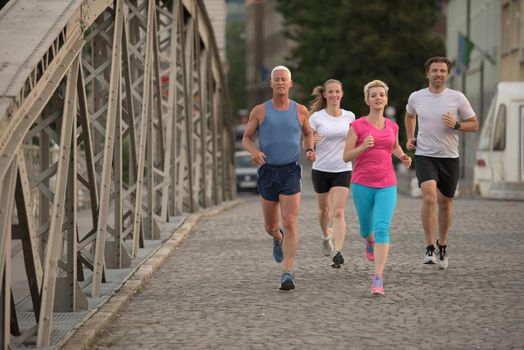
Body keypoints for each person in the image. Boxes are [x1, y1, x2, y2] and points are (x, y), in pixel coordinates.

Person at [242, 65, 315, 291]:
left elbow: (308, 132)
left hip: (291, 170)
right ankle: (276, 236)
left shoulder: (300, 110)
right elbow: (246, 138)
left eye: (284, 79)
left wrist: (310, 149)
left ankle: (288, 272)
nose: (281, 83)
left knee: (290, 221)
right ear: (271, 84)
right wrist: (254, 151)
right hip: (268, 171)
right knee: (270, 225)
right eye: (277, 80)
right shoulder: (260, 111)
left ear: (290, 84)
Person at [405, 57, 478, 269]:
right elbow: (410, 116)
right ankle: (429, 247)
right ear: (427, 74)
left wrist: (456, 124)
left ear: (447, 74)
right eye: (435, 70)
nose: (439, 74)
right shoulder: (416, 97)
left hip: (449, 157)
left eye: (443, 71)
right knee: (429, 197)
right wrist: (411, 137)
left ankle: (442, 244)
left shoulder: (457, 98)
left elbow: (474, 124)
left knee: (445, 203)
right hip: (425, 155)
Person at [343, 80, 411, 295]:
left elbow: (394, 146)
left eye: (381, 95)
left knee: (382, 227)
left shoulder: (392, 125)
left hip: (387, 184)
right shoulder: (358, 126)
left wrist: (402, 156)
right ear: (367, 100)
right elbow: (345, 156)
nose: (378, 98)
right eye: (373, 95)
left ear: (386, 99)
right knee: (366, 229)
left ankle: (378, 277)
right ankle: (368, 240)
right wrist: (363, 147)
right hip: (362, 183)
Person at [308, 79, 355, 268]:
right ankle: (326, 236)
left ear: (342, 93)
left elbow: (356, 139)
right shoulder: (317, 117)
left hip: (342, 168)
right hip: (321, 169)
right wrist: (311, 143)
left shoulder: (350, 117)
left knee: (338, 211)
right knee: (324, 211)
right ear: (325, 95)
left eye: (337, 91)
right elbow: (306, 137)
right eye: (331, 92)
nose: (334, 95)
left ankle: (338, 251)